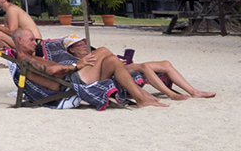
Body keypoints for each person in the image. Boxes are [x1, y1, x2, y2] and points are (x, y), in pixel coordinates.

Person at [10, 28, 166, 109]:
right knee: (103, 50)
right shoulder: (26, 60)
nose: (35, 43)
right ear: (20, 41)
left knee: (111, 60)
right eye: (31, 40)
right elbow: (52, 71)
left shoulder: (30, 57)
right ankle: (140, 97)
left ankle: (140, 96)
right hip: (70, 83)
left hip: (74, 78)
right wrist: (78, 65)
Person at [63, 40, 215, 99]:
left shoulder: (92, 53)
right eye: (78, 45)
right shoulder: (75, 61)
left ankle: (194, 91)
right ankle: (170, 94)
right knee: (144, 67)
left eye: (83, 42)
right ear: (71, 50)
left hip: (118, 65)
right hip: (111, 71)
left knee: (166, 64)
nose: (83, 45)